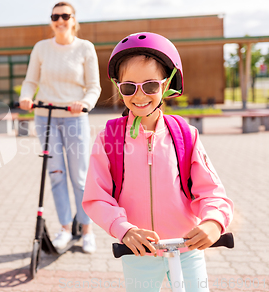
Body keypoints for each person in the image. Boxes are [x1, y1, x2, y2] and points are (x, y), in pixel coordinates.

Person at [82, 32, 234, 291]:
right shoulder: (110, 137)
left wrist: (214, 221)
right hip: (137, 251)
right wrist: (123, 229)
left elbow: (211, 192)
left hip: (187, 249)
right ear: (119, 87)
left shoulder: (185, 134)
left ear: (167, 85)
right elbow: (96, 197)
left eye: (150, 85)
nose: (139, 95)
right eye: (129, 87)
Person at [19, 1, 101, 253]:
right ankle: (65, 228)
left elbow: (94, 87)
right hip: (46, 117)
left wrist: (84, 104)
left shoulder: (85, 48)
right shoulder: (41, 48)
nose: (60, 20)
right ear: (51, 21)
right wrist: (26, 96)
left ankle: (86, 229)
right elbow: (30, 81)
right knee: (56, 174)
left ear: (74, 20)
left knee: (79, 177)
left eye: (65, 15)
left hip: (75, 117)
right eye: (55, 16)